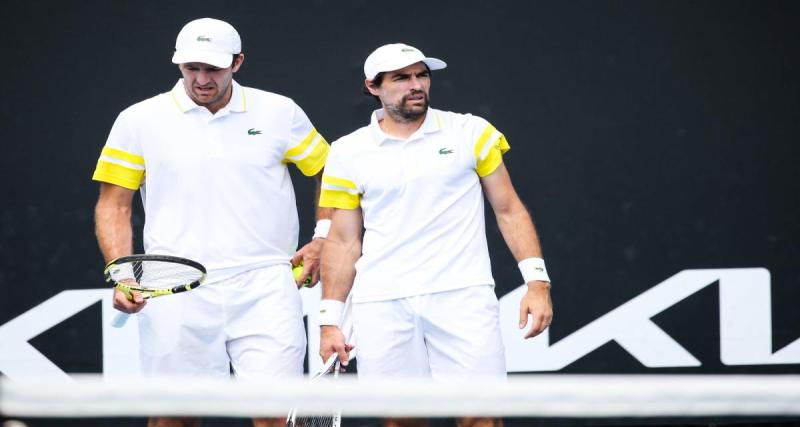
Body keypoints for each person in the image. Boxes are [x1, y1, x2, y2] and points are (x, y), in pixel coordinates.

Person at [92, 18, 330, 427]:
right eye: (191, 68)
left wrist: (323, 236)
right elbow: (113, 206)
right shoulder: (138, 119)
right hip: (174, 289)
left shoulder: (279, 111)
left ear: (238, 62)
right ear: (178, 64)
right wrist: (124, 274)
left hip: (266, 286)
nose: (201, 79)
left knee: (278, 418)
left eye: (214, 68)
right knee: (174, 419)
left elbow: (330, 171)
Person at [318, 43, 554, 427]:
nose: (416, 85)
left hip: (462, 295)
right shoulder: (346, 152)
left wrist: (537, 282)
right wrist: (330, 319)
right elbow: (344, 242)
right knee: (402, 421)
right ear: (373, 87)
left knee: (482, 419)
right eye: (401, 78)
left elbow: (509, 209)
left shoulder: (471, 132)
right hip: (382, 303)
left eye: (421, 75)